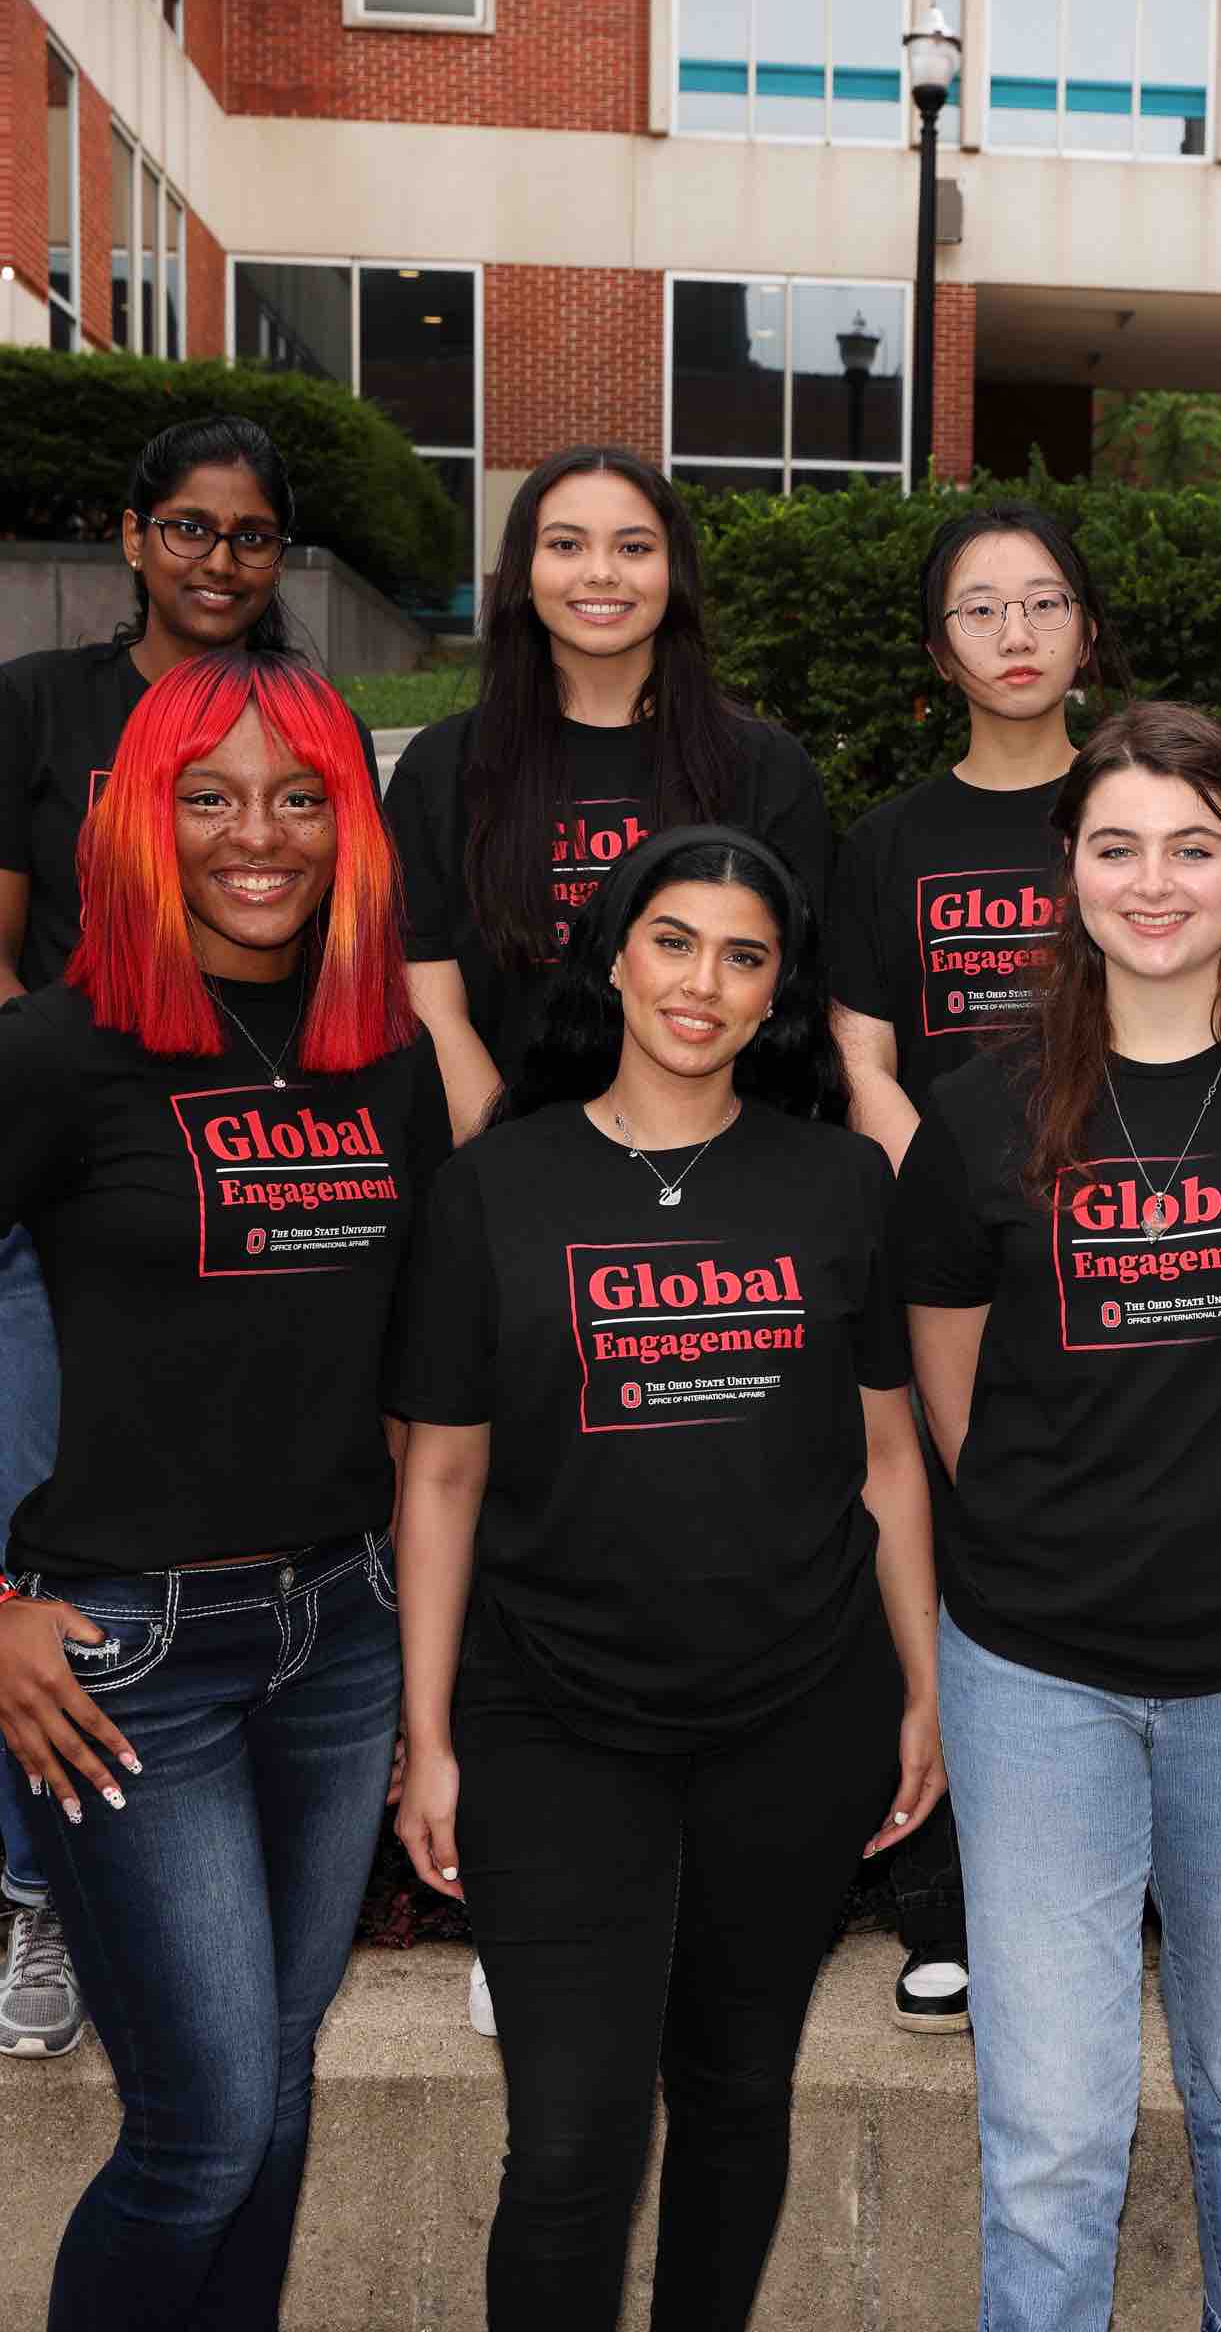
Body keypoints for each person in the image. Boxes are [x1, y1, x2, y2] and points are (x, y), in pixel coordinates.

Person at [0, 649, 446, 2331]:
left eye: (300, 797)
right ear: (141, 825)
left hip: (337, 1636)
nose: (258, 835)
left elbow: (411, 1385)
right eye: (211, 797)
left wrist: (422, 1639)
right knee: (200, 2132)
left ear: (351, 829)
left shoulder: (388, 1061)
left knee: (279, 2089)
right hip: (127, 1662)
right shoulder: (60, 1053)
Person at [893, 703, 1221, 2332]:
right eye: (1117, 846)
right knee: (1051, 2127)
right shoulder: (979, 1114)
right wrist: (1099, 1504)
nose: (1155, 881)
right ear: (1067, 870)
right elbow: (956, 1394)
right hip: (1034, 1672)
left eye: (1193, 847)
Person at [385, 824, 945, 2331]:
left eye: (745, 957)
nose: (705, 982)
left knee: (736, 2097)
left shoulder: (837, 1185)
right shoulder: (495, 1188)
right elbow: (439, 1473)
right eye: (676, 941)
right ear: (615, 957)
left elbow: (890, 1462)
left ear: (781, 996)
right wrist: (427, 1736)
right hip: (551, 1721)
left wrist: (923, 1694)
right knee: (571, 2143)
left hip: (800, 1715)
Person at [0, 412, 310, 2061]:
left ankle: (250, 1884)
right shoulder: (45, 704)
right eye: (192, 528)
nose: (220, 559)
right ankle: (45, 1898)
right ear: (133, 535)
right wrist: (70, 1108)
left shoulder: (302, 715)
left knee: (268, 1533)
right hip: (62, 1202)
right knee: (43, 1528)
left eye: (251, 535)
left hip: (262, 1193)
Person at [827, 501, 1132, 2035]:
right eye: (979, 611)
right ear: (939, 645)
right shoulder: (891, 840)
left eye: (1043, 604)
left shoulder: (1144, 799)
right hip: (954, 1248)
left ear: (1087, 627)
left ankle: (1125, 1878)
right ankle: (944, 1891)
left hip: (1142, 1239)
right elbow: (867, 1063)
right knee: (949, 1551)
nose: (1016, 636)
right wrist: (957, 1199)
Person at [385, 445, 833, 1146]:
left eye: (633, 546)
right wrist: (519, 1162)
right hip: (504, 1166)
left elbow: (791, 998)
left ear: (672, 571)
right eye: (566, 544)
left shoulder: (766, 767)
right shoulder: (442, 768)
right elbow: (431, 1003)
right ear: (523, 572)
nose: (601, 572)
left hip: (722, 1174)